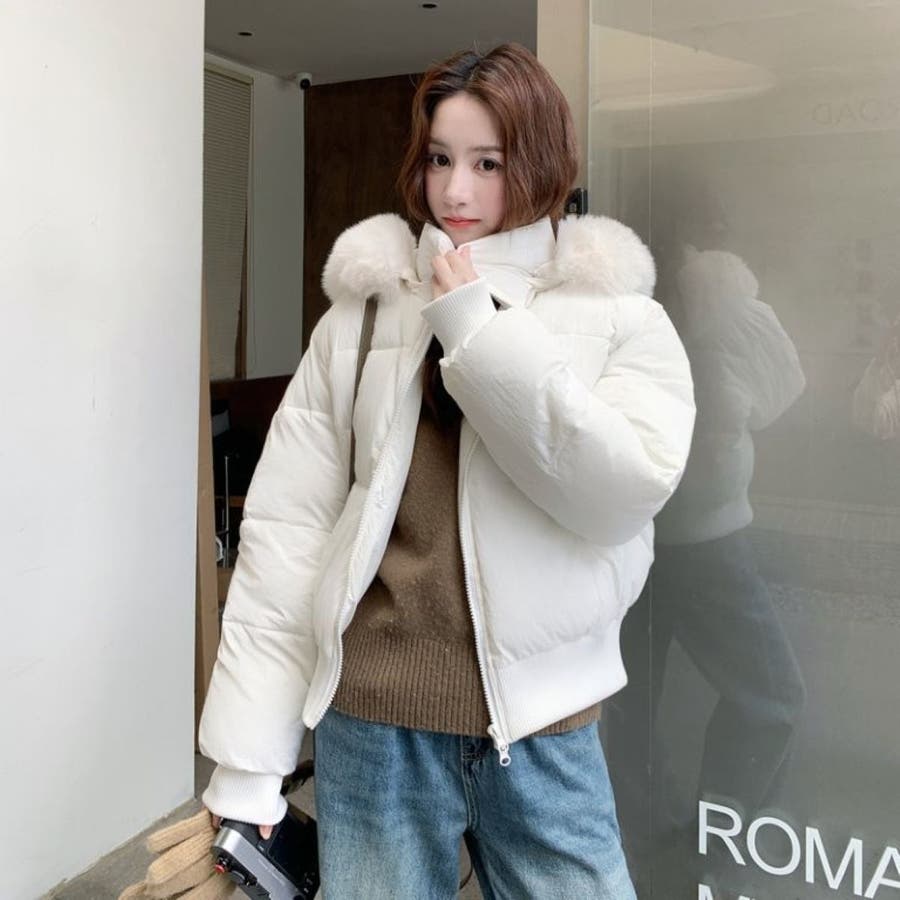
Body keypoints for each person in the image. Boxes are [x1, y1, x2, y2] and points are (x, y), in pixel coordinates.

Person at [198, 43, 695, 899]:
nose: (455, 191)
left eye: (487, 163)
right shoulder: (362, 314)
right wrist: (249, 761)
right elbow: (288, 535)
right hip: (372, 726)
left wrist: (474, 330)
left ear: (539, 163)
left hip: (543, 727)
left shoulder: (618, 314)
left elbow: (617, 496)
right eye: (438, 159)